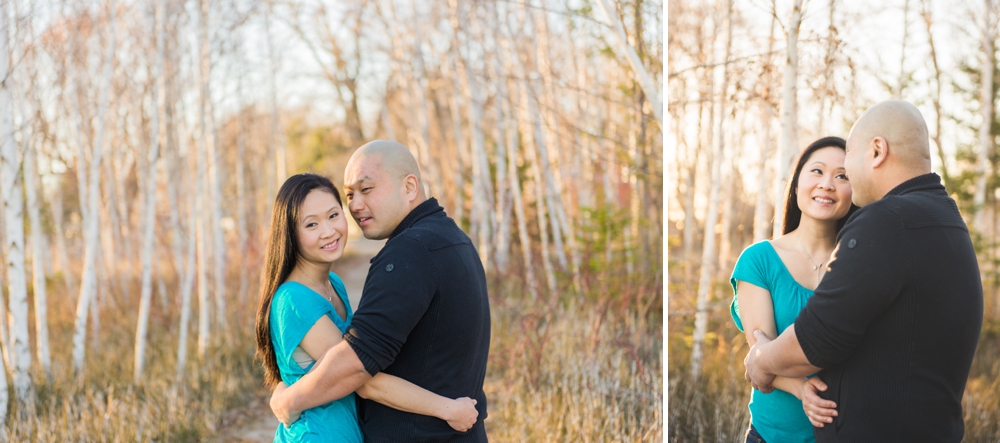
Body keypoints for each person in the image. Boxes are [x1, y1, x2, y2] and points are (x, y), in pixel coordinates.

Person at [744, 100, 983, 442]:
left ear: (876, 151)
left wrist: (761, 361)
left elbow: (818, 338)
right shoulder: (947, 221)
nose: (842, 179)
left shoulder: (888, 221)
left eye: (846, 166)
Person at [269, 140, 491, 442]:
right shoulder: (453, 239)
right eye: (350, 195)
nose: (356, 205)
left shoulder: (408, 253)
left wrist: (288, 400)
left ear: (410, 187)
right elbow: (356, 370)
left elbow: (354, 368)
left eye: (367, 189)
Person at [730, 136, 857, 442]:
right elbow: (761, 350)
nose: (827, 184)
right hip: (773, 434)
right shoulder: (759, 260)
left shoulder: (860, 264)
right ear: (797, 184)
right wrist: (802, 389)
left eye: (842, 176)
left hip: (845, 433)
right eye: (817, 171)